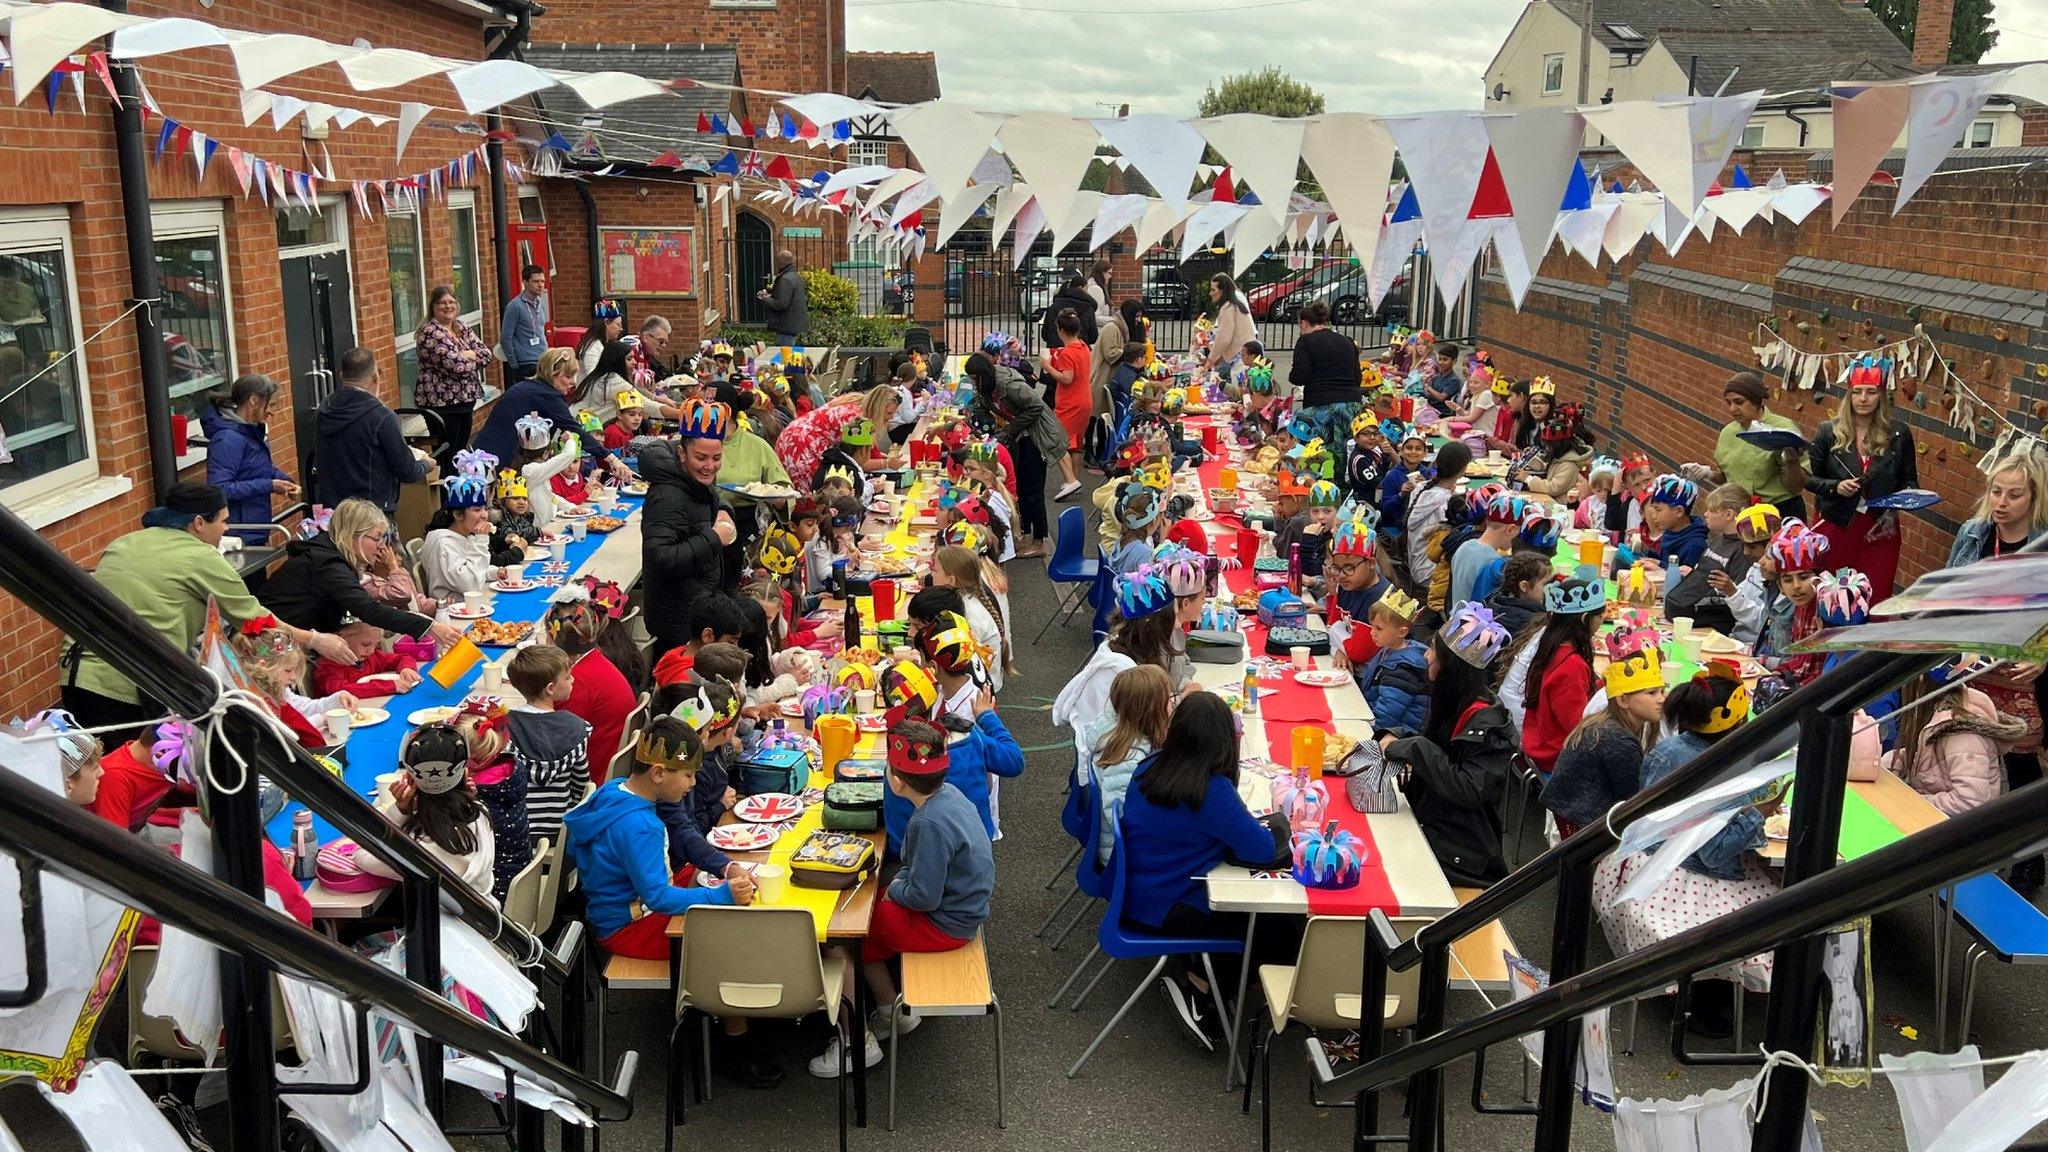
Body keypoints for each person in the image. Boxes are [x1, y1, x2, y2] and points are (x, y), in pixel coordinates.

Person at [62, 484, 347, 737]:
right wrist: (315, 639)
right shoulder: (200, 556)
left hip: (75, 672)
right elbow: (254, 618)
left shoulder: (124, 542)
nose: (226, 528)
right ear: (198, 523)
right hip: (129, 682)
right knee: (141, 781)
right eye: (223, 520)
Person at [1593, 664, 1775, 1035]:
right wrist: (1760, 813)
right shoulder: (1719, 765)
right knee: (1776, 904)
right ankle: (1708, 999)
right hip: (1688, 876)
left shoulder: (1668, 750)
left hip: (1643, 858)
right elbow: (1714, 852)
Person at [812, 714, 993, 1077]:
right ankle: (889, 1011)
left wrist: (895, 889)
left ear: (895, 780)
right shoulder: (948, 796)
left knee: (840, 935)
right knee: (866, 913)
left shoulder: (929, 822)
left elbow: (923, 897)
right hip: (961, 910)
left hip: (946, 922)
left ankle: (856, 1043)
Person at [1118, 691, 1291, 1050]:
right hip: (1174, 906)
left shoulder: (1150, 766)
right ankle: (1200, 988)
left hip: (1140, 893)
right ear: (1225, 741)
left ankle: (1200, 974)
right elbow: (1260, 850)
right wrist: (1280, 827)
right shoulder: (1211, 790)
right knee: (1284, 933)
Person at [566, 717, 753, 961]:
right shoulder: (642, 827)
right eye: (688, 775)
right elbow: (658, 898)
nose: (693, 783)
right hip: (629, 928)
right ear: (658, 773)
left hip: (612, 914)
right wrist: (722, 896)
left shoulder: (615, 789)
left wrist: (725, 867)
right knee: (736, 934)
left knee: (699, 875)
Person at [1383, 602, 1517, 885]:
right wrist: (1400, 736)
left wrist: (1414, 747)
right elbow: (1441, 755)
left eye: (1433, 650)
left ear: (1451, 666)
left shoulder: (1487, 724)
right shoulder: (1454, 702)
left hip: (1463, 857)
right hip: (1437, 828)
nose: (1426, 655)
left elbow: (1468, 788)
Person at [264, 498, 456, 650]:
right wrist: (429, 627)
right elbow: (368, 609)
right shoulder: (328, 564)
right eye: (377, 537)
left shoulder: (330, 556)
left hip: (294, 638)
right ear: (353, 535)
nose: (382, 545)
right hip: (276, 644)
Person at [1804, 367, 1917, 600]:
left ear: (1881, 397)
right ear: (1849, 396)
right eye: (1857, 392)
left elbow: (1910, 480)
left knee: (1875, 594)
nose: (1863, 399)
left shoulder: (1899, 433)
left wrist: (1907, 497)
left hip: (1880, 528)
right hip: (1837, 523)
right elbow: (1808, 479)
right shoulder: (1829, 432)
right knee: (1833, 594)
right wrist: (1835, 487)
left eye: (1871, 392)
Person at [643, 399, 739, 664]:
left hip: (696, 609)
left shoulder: (694, 478)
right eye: (701, 458)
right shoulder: (668, 497)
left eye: (716, 458)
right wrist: (714, 537)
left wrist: (723, 510)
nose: (709, 466)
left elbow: (709, 498)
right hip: (677, 621)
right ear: (681, 454)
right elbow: (661, 558)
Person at [358, 723, 498, 903]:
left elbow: (362, 854)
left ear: (409, 778)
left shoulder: (418, 850)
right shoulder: (479, 815)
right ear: (464, 774)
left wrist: (400, 811)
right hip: (488, 919)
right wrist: (466, 798)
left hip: (441, 928)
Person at [1541, 643, 1666, 839]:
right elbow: (1631, 802)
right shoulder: (1617, 741)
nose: (1661, 699)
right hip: (1583, 825)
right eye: (1651, 693)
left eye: (1662, 691)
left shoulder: (1607, 722)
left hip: (1572, 809)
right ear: (1623, 701)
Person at [472, 347, 629, 482]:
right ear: (552, 374)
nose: (573, 382)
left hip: (486, 450)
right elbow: (575, 430)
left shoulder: (531, 387)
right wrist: (612, 459)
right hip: (498, 456)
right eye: (568, 376)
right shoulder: (547, 395)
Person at [313, 347, 433, 514]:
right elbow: (407, 471)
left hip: (334, 513)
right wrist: (426, 464)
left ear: (341, 377)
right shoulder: (382, 417)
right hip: (372, 513)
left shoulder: (323, 412)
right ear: (375, 377)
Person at [967, 350, 1064, 559]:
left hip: (1035, 437)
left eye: (974, 378)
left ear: (983, 375)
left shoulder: (1009, 385)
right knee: (1022, 486)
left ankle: (1040, 541)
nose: (973, 383)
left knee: (1033, 490)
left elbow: (1036, 406)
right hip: (1021, 437)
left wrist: (1010, 430)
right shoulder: (987, 388)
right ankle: (1027, 535)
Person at [1076, 664, 1171, 864]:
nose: (1173, 704)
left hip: (1124, 848)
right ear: (1153, 710)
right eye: (1169, 699)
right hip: (1122, 857)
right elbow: (1121, 817)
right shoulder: (1128, 759)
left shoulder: (1120, 732)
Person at [506, 644, 591, 842]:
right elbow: (581, 787)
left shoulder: (504, 729)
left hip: (517, 829)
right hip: (559, 830)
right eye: (568, 676)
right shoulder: (577, 728)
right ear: (550, 689)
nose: (573, 679)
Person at [546, 596, 638, 781]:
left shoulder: (574, 683)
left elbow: (552, 744)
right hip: (605, 763)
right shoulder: (596, 660)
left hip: (588, 778)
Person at [201, 374, 299, 545]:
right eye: (272, 404)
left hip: (254, 528)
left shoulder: (250, 431)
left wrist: (284, 481)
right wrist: (269, 485)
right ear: (254, 400)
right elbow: (220, 488)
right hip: (238, 534)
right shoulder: (227, 439)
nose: (273, 412)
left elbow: (260, 468)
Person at [414, 285, 492, 467]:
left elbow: (486, 354)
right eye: (442, 302)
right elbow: (455, 366)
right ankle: (444, 493)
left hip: (465, 402)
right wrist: (469, 354)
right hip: (442, 404)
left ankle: (457, 491)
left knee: (460, 453)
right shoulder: (430, 332)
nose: (448, 306)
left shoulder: (460, 327)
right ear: (433, 306)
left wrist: (466, 354)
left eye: (451, 302)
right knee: (447, 456)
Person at [421, 454, 515, 601]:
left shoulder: (467, 535)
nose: (484, 515)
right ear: (458, 515)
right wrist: (481, 542)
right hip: (455, 611)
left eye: (484, 508)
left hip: (471, 603)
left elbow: (472, 567)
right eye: (477, 510)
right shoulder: (443, 544)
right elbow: (470, 584)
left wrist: (493, 572)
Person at [1662, 483, 1753, 635]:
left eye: (1712, 510)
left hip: (1715, 625)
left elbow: (1735, 594)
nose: (1705, 514)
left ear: (1729, 514)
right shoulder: (1719, 539)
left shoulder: (1742, 551)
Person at [1713, 371, 1805, 515]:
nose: (1732, 408)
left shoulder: (1782, 429)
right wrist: (1706, 474)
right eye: (1728, 402)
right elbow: (1727, 477)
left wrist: (1791, 461)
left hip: (1778, 511)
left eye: (1739, 402)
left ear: (1756, 401)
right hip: (1741, 512)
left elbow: (1796, 487)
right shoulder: (1728, 433)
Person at [1286, 299, 1366, 447]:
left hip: (1321, 405)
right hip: (1350, 405)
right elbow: (1357, 378)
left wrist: (1290, 376)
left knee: (1320, 455)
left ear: (1303, 323)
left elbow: (1300, 376)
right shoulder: (1347, 341)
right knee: (1346, 451)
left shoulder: (1305, 341)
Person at [1358, 588, 1429, 734]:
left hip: (1395, 736)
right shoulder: (1388, 648)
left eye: (1378, 628)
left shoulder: (1405, 669)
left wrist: (1363, 731)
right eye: (1372, 626)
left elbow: (1386, 715)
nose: (1372, 632)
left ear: (1402, 632)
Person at [1408, 440, 1473, 592]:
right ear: (1463, 469)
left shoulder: (1421, 487)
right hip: (1429, 570)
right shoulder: (1446, 503)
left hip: (1415, 560)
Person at [1041, 309, 1092, 500]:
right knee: (1077, 443)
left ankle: (1071, 481)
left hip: (1070, 403)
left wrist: (1047, 366)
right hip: (1085, 400)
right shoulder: (1083, 347)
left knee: (1058, 440)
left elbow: (1066, 378)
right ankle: (1074, 480)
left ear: (1061, 331)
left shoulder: (1067, 353)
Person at [312, 616, 422, 698]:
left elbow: (402, 658)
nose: (371, 650)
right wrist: (389, 686)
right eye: (366, 644)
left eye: (376, 645)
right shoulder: (327, 665)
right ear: (344, 637)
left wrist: (406, 668)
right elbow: (339, 690)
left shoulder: (371, 657)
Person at [1643, 475, 1709, 567]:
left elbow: (1688, 578)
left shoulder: (1695, 546)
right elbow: (1664, 560)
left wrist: (1660, 566)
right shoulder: (1670, 532)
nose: (1653, 515)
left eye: (1658, 510)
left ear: (1679, 511)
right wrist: (1645, 550)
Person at [499, 263, 550, 383]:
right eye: (536, 281)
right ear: (526, 283)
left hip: (543, 360)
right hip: (526, 364)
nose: (540, 285)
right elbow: (506, 338)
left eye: (542, 281)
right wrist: (514, 364)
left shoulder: (541, 302)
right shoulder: (515, 306)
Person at [1199, 273, 1255, 379]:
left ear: (1222, 290)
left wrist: (1210, 359)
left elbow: (1224, 339)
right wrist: (1218, 360)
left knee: (1241, 391)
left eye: (1213, 290)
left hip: (1241, 358)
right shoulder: (1235, 304)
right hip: (1247, 354)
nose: (1211, 293)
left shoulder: (1227, 307)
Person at [759, 248, 808, 344]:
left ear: (781, 264)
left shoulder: (786, 279)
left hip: (786, 326)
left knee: (784, 357)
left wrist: (766, 299)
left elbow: (782, 304)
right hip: (793, 325)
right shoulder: (796, 276)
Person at [1041, 275, 1099, 349]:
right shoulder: (1088, 308)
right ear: (1081, 288)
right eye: (1086, 288)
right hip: (1079, 351)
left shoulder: (1054, 306)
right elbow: (1093, 337)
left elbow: (1045, 335)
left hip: (1055, 351)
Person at [577, 297, 625, 380]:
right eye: (618, 325)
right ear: (606, 322)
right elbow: (594, 378)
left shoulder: (606, 344)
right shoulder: (592, 347)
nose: (621, 329)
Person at [1422, 341, 1468, 415]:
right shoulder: (1437, 376)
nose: (1441, 362)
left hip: (1443, 414)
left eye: (1445, 359)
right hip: (1431, 409)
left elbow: (1441, 398)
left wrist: (1427, 387)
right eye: (1440, 359)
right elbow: (1429, 396)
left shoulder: (1454, 380)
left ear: (1454, 361)